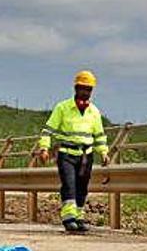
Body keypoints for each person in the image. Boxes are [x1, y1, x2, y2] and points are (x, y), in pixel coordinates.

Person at [35, 70, 110, 233]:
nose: (85, 92)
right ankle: (69, 217)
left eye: (88, 89)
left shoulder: (94, 112)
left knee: (82, 187)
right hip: (66, 154)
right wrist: (44, 148)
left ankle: (79, 216)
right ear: (76, 88)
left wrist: (103, 152)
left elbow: (99, 134)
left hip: (85, 156)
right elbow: (48, 130)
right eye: (82, 88)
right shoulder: (63, 108)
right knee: (69, 185)